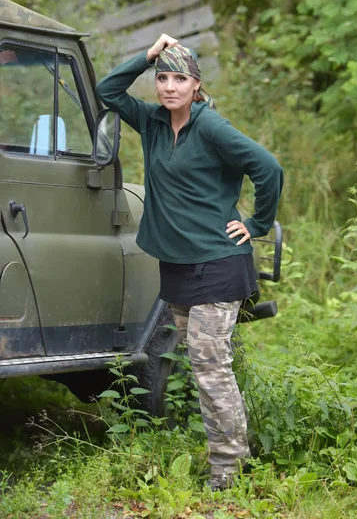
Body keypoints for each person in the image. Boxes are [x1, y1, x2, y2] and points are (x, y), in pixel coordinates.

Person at [95, 34, 284, 490]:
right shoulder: (153, 122)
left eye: (180, 79)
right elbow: (107, 91)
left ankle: (228, 470)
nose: (169, 87)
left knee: (209, 366)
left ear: (196, 85)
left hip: (219, 263)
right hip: (177, 265)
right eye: (162, 78)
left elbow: (268, 168)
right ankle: (231, 455)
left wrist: (257, 224)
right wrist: (147, 54)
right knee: (203, 366)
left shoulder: (211, 127)